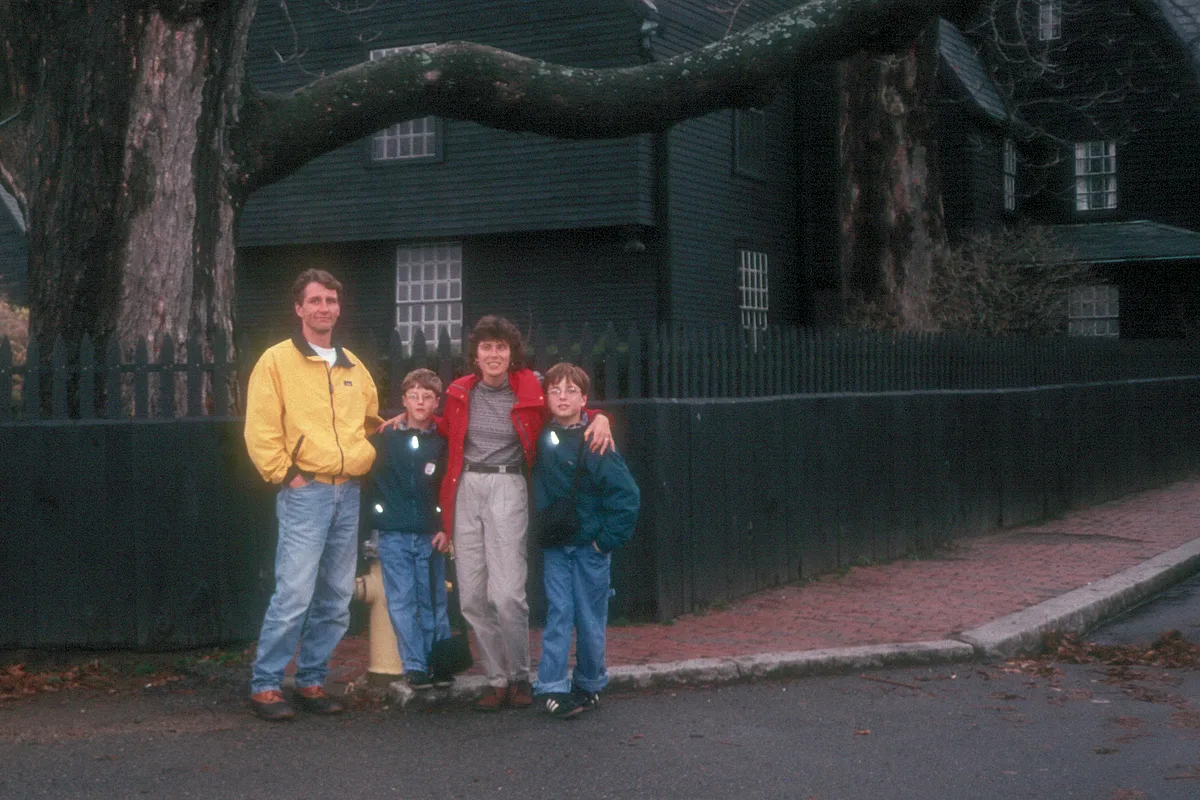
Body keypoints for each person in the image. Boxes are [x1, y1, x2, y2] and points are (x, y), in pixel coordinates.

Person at [427, 315, 612, 711]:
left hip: (508, 486)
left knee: (507, 594)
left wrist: (601, 418)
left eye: (501, 347)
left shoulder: (529, 385)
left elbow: (568, 405)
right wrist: (404, 421)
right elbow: (443, 429)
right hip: (467, 490)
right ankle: (496, 679)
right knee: (473, 596)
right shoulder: (461, 390)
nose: (494, 354)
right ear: (475, 354)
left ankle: (521, 676)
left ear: (511, 354)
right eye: (486, 347)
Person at [243, 269, 382, 721]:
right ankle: (266, 685)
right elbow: (261, 428)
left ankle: (311, 680)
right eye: (315, 300)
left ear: (339, 308)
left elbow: (370, 422)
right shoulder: (276, 361)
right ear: (299, 308)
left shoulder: (353, 366)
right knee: (294, 594)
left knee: (338, 596)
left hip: (349, 494)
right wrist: (288, 475)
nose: (324, 307)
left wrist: (375, 446)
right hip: (307, 493)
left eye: (331, 300)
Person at [531, 362, 640, 718]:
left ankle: (590, 683)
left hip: (589, 548)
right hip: (555, 546)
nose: (563, 397)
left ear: (584, 398)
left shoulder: (597, 440)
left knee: (591, 618)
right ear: (546, 397)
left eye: (571, 391)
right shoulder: (540, 434)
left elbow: (626, 496)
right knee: (558, 614)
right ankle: (551, 687)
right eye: (555, 390)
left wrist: (604, 542)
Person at [368, 368, 452, 691]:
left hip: (431, 533)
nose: (420, 402)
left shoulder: (441, 443)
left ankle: (439, 661)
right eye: (414, 396)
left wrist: (445, 527)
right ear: (403, 400)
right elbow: (371, 480)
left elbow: (446, 486)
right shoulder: (385, 437)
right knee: (401, 600)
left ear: (436, 402)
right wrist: (379, 517)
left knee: (433, 599)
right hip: (394, 533)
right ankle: (415, 665)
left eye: (427, 397)